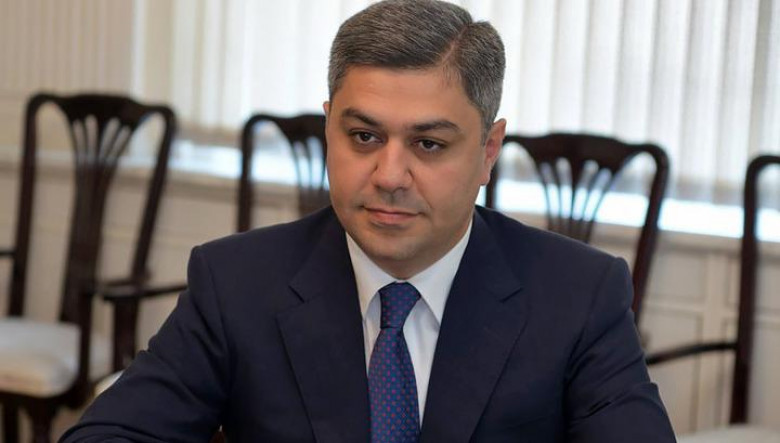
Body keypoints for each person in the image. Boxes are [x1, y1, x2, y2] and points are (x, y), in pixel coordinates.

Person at [61, 0, 676, 442]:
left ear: (488, 151)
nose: (389, 175)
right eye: (363, 136)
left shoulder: (578, 295)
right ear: (329, 127)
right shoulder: (236, 282)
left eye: (428, 144)